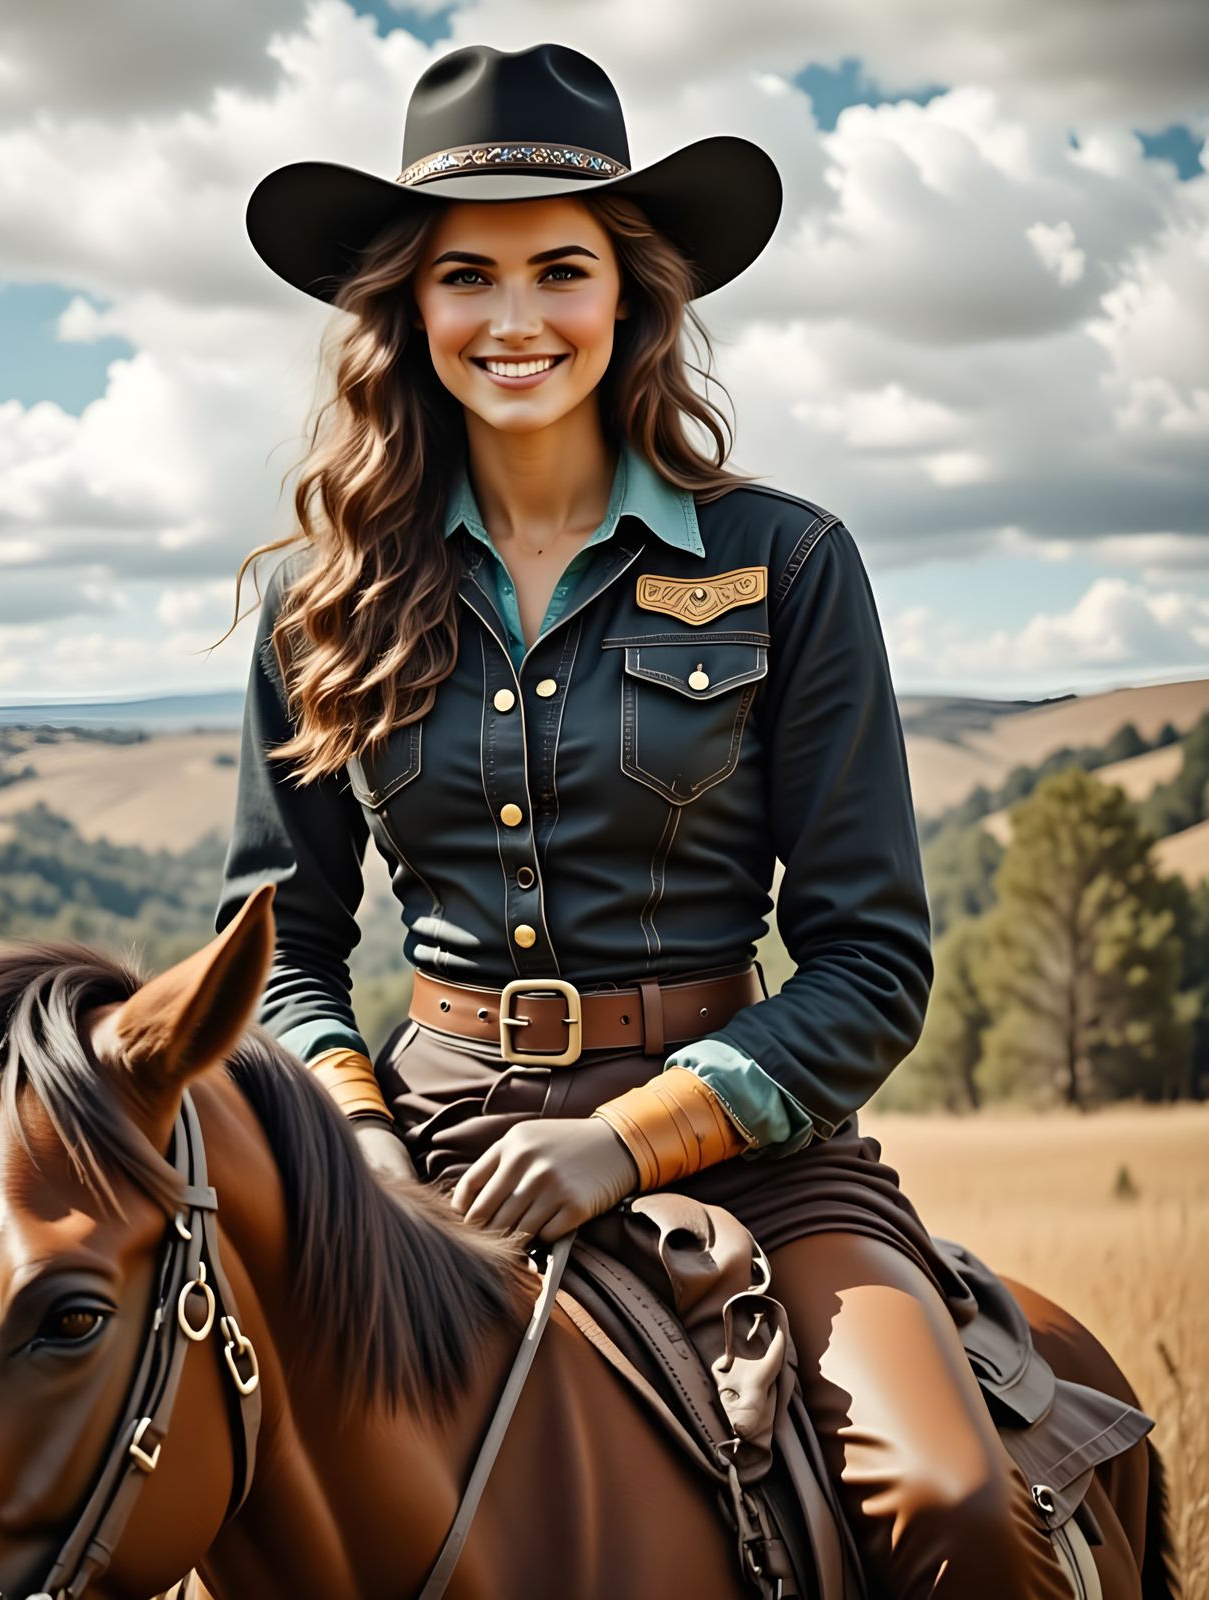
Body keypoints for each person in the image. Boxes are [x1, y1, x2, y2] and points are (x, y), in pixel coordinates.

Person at [217, 41, 1074, 1598]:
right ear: (410, 307)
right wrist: (361, 1147)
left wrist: (625, 1141)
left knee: (951, 1504)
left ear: (630, 296)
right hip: (419, 1155)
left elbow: (872, 964)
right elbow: (279, 948)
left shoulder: (787, 565)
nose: (516, 318)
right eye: (467, 276)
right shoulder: (315, 602)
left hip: (753, 1153)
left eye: (562, 269)